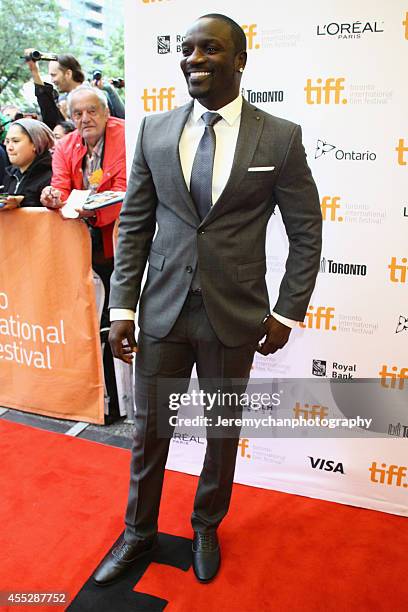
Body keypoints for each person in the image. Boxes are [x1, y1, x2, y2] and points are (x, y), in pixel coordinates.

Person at [93, 14, 322, 586]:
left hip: (235, 314)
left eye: (210, 49)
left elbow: (306, 229)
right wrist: (122, 308)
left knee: (220, 431)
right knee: (148, 432)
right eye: (188, 49)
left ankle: (205, 525)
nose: (194, 58)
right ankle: (138, 533)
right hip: (164, 309)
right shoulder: (155, 130)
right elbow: (136, 226)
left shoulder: (280, 137)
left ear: (239, 59)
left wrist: (287, 310)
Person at [40, 86, 126, 323]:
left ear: (106, 112)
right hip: (82, 237)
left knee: (119, 309)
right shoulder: (65, 146)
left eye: (92, 111)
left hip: (121, 236)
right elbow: (61, 187)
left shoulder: (126, 136)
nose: (85, 119)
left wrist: (92, 211)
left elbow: (124, 191)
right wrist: (53, 198)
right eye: (77, 114)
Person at [25, 51, 125, 128]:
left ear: (68, 73)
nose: (52, 80)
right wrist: (34, 72)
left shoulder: (98, 95)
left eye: (54, 75)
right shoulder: (62, 101)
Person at [1, 118, 54, 210]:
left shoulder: (51, 176)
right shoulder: (10, 175)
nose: (9, 147)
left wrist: (21, 203)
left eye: (15, 141)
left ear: (35, 143)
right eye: (7, 141)